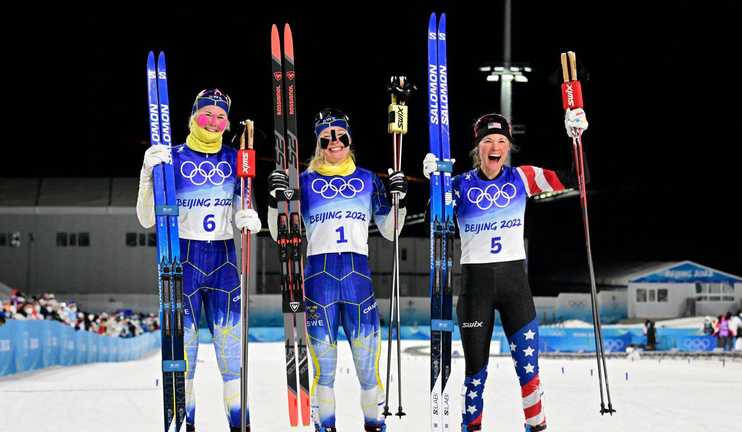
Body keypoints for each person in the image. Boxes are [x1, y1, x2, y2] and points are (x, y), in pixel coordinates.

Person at [422, 108, 589, 431]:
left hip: (516, 289)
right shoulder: (458, 185)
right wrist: (434, 183)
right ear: (477, 149)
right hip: (475, 290)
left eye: (501, 140)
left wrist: (577, 139)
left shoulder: (521, 178)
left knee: (529, 372)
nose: (495, 146)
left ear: (508, 147)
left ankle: (536, 426)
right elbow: (434, 219)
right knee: (475, 374)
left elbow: (578, 178)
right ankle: (471, 427)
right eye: (487, 141)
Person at [266, 108, 408, 432]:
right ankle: (325, 426)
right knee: (324, 373)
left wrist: (400, 198)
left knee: (368, 372)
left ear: (349, 139)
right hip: (319, 283)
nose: (334, 142)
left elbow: (392, 230)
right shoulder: (302, 182)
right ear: (318, 143)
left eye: (340, 135)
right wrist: (274, 201)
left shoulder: (369, 180)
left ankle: (375, 425)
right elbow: (279, 234)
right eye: (326, 137)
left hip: (358, 282)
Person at [136, 89, 262, 432]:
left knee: (232, 361)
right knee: (184, 360)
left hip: (224, 263)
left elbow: (243, 207)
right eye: (207, 114)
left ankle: (240, 424)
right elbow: (147, 218)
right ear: (193, 116)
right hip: (183, 264)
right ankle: (184, 424)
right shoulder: (171, 157)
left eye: (221, 116)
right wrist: (148, 175)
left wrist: (251, 217)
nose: (214, 122)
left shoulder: (236, 158)